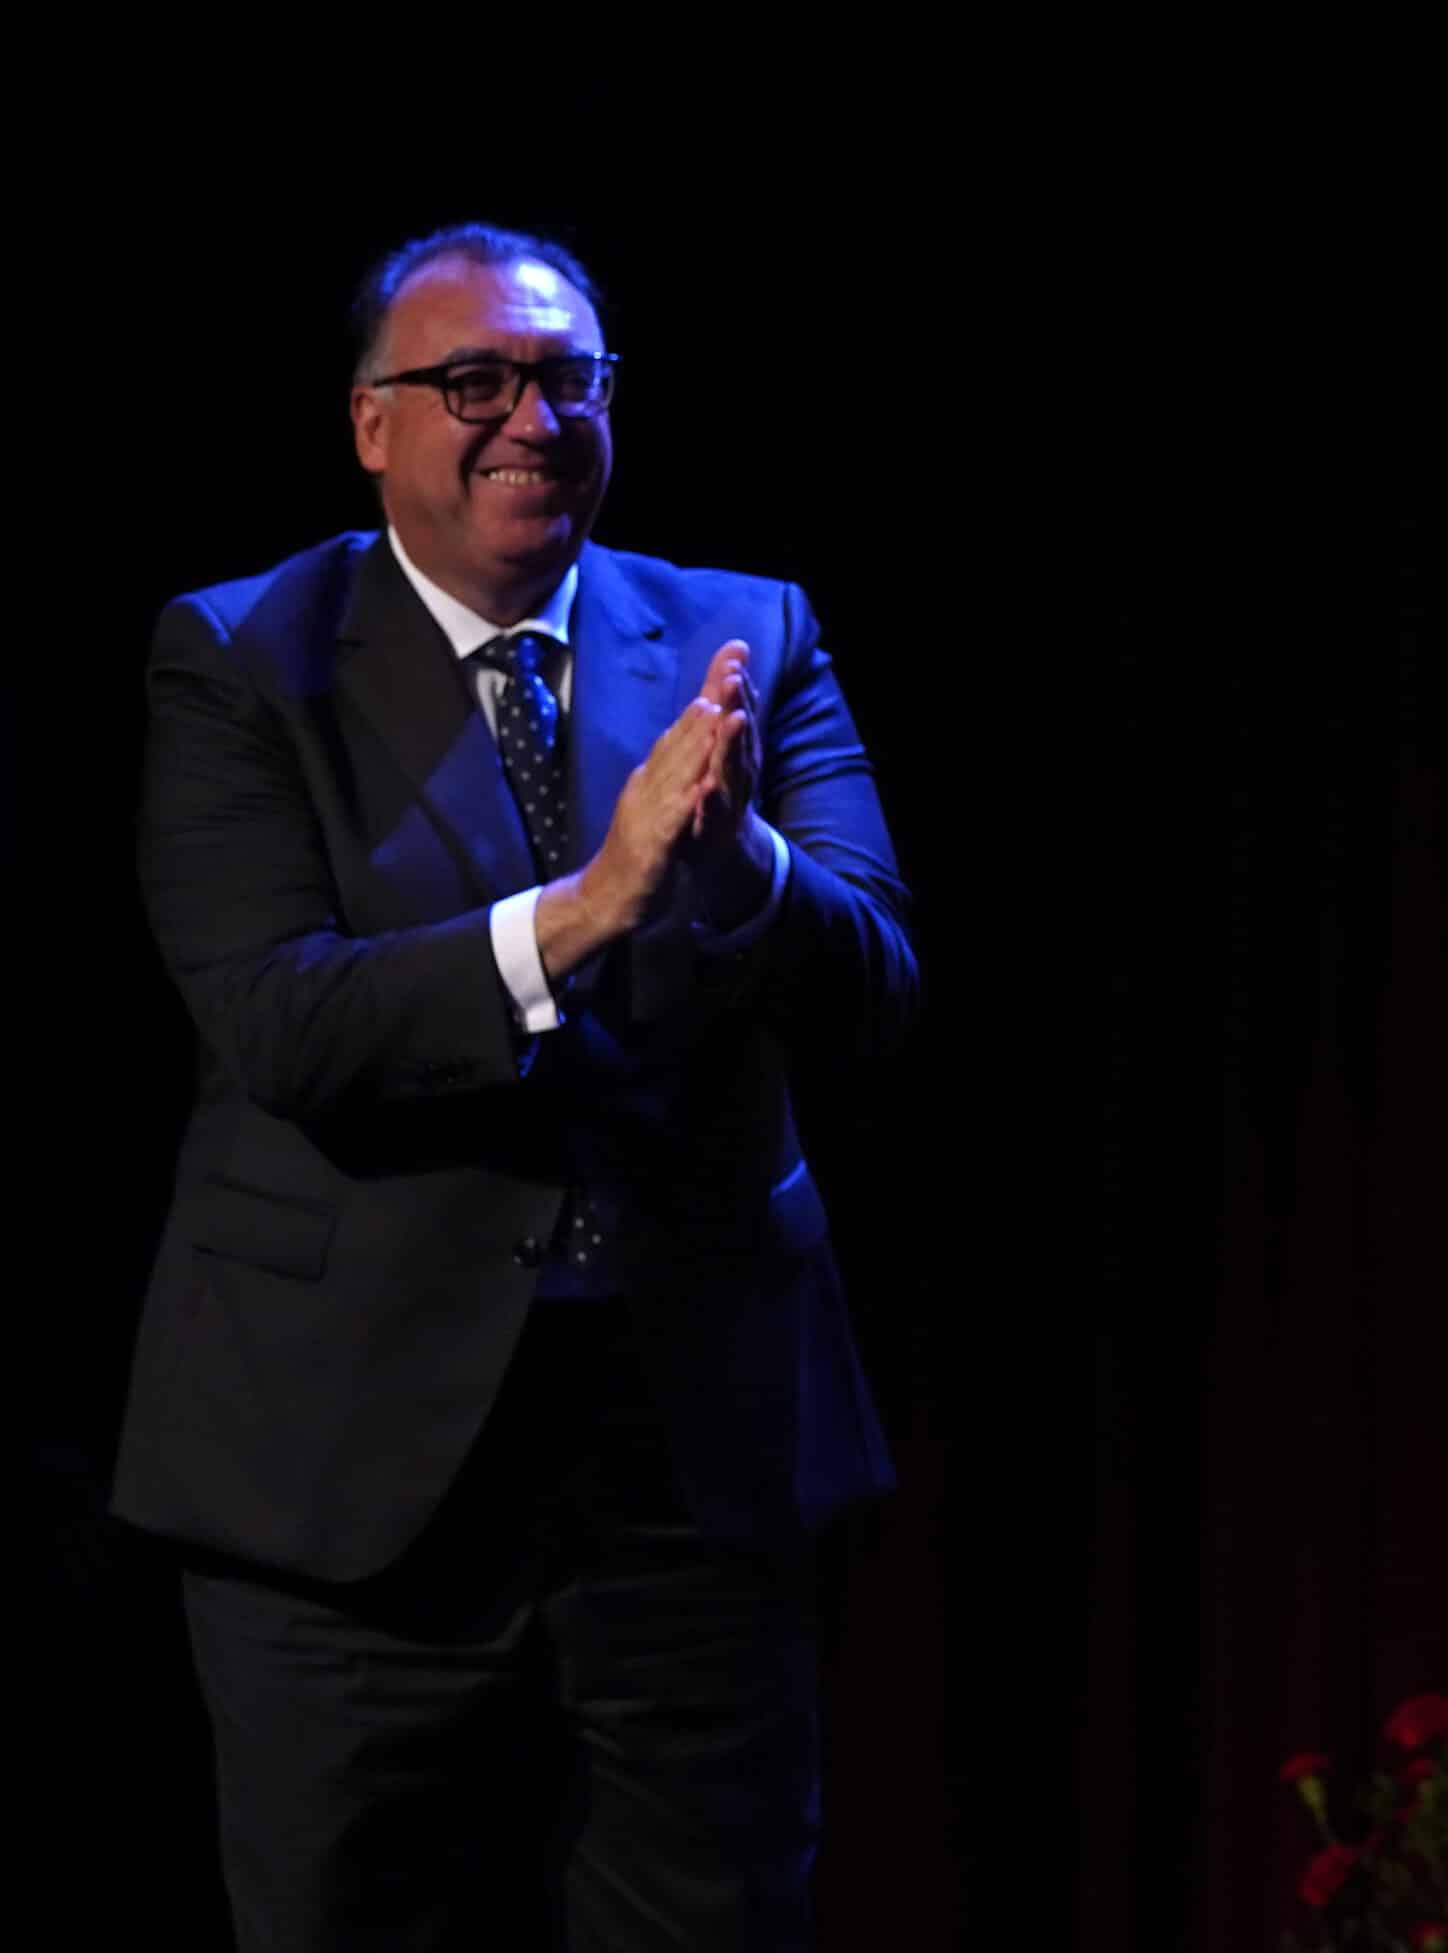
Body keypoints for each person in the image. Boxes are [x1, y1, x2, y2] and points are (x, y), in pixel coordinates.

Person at [112, 222, 919, 1951]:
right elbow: (284, 1023)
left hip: (691, 1481)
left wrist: (740, 871)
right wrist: (587, 912)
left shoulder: (747, 637)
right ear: (370, 425)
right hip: (350, 1496)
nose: (529, 417)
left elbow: (877, 981)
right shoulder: (248, 656)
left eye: (569, 379)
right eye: (473, 380)